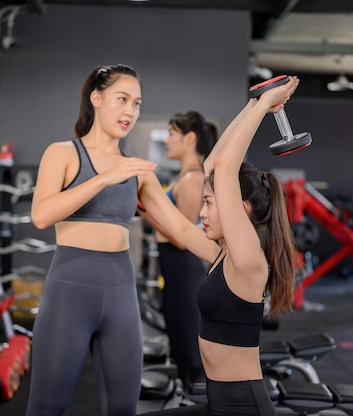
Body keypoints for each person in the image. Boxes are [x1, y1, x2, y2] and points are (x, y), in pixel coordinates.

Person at [27, 64, 221, 416]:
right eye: (122, 99)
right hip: (69, 292)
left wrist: (233, 257)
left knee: (123, 408)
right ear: (97, 99)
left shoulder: (136, 171)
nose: (130, 111)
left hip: (120, 296)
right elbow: (41, 215)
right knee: (46, 407)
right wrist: (104, 178)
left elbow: (181, 229)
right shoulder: (63, 153)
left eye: (137, 103)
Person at [138, 75, 300, 415]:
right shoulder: (222, 253)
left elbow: (224, 168)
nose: (202, 211)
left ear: (240, 209)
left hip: (242, 407)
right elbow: (208, 173)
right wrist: (253, 104)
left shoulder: (248, 259)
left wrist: (266, 106)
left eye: (209, 203)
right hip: (220, 402)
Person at [149, 111, 218, 389]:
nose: (167, 140)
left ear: (189, 138)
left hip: (184, 271)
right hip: (175, 274)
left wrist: (146, 209)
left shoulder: (192, 180)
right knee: (179, 347)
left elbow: (183, 237)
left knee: (190, 358)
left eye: (171, 134)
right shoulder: (185, 177)